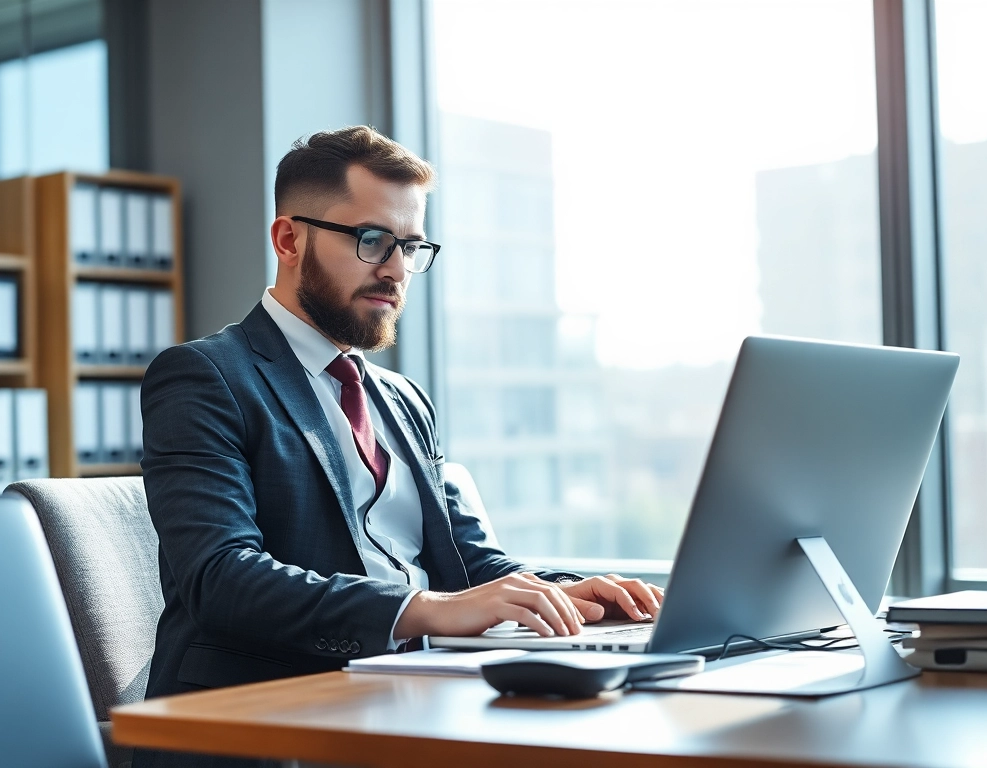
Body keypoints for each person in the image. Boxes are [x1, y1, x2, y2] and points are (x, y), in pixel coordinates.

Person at [135, 126, 663, 767]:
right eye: (371, 240)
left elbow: (469, 566)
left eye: (410, 247)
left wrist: (570, 594)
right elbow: (221, 578)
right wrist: (424, 609)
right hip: (271, 723)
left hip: (417, 706)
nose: (395, 269)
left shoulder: (403, 399)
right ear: (289, 240)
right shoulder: (205, 376)